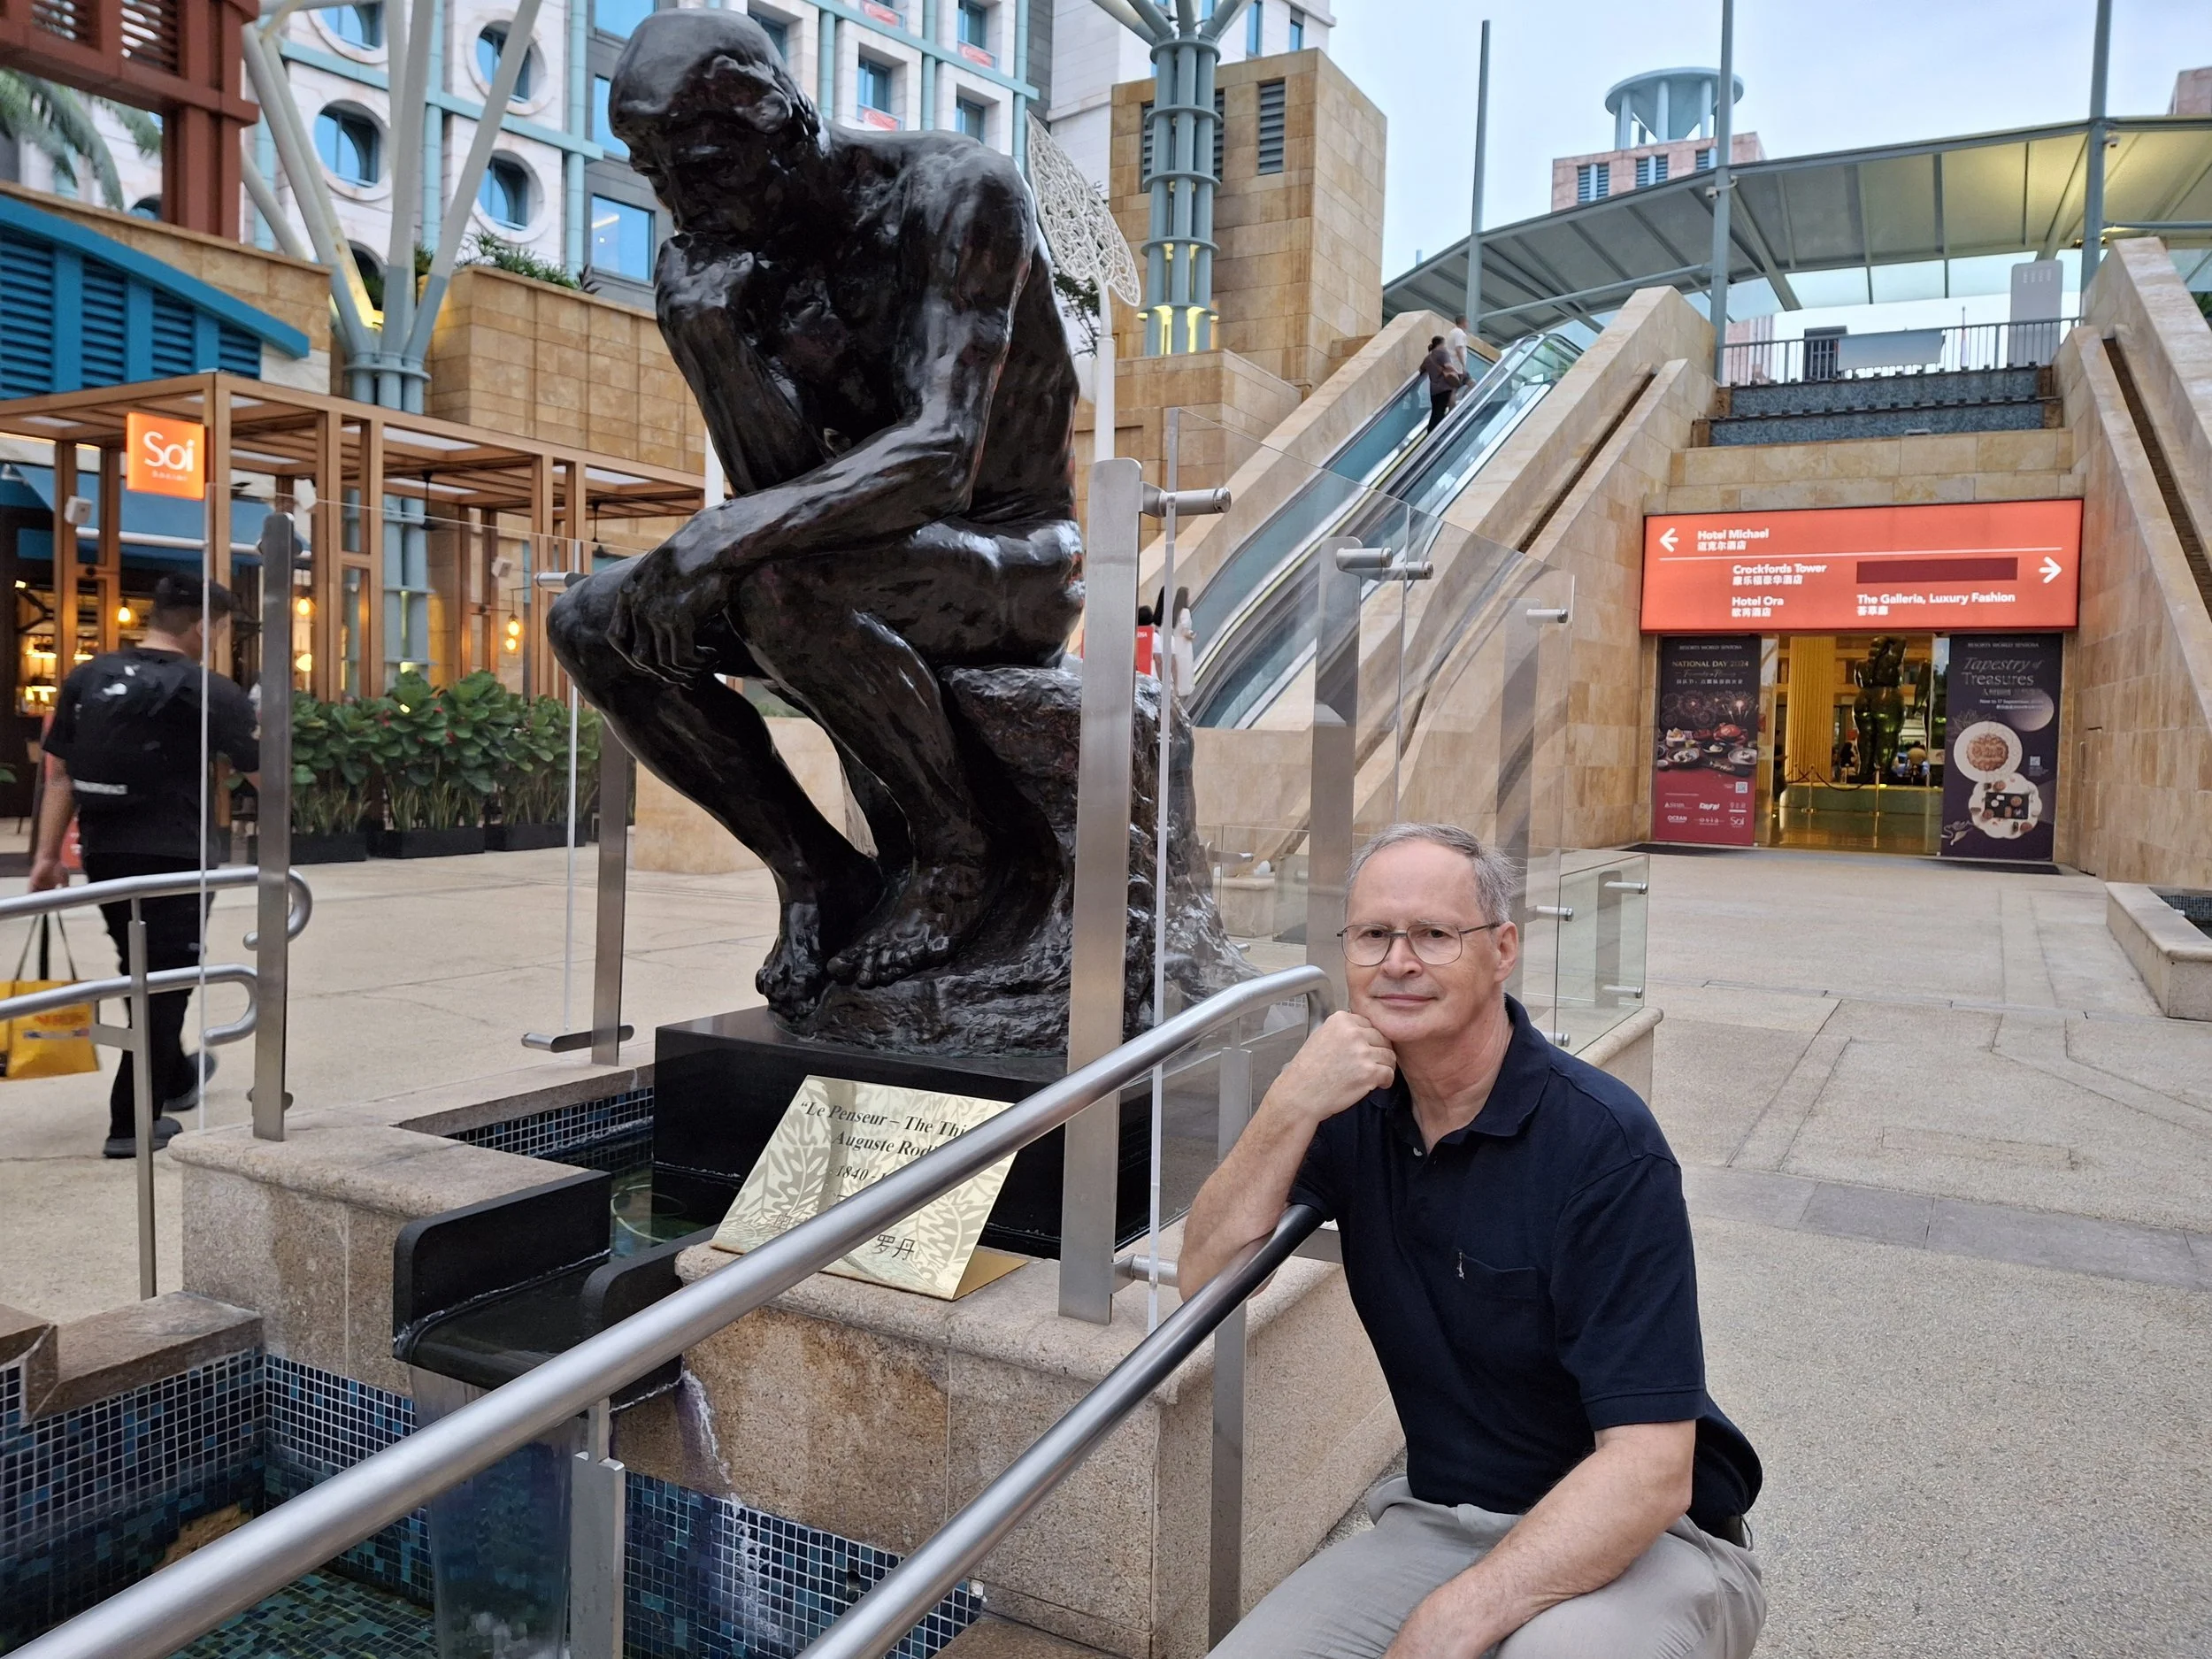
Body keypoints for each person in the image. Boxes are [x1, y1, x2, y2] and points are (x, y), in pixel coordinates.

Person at [549, 10, 1084, 1018]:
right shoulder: (720, 264)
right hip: (857, 559)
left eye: (700, 166)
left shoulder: (955, 193)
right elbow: (776, 484)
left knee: (776, 582)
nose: (676, 200)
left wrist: (717, 538)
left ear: (779, 125)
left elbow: (938, 455)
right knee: (589, 620)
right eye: (653, 172)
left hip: (1012, 549)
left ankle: (953, 850)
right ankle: (814, 874)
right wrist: (708, 337)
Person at [1185, 822, 1764, 1659]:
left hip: (1656, 1537)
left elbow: (1649, 1468)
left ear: (1502, 950)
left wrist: (1452, 1620)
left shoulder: (1604, 1144)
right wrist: (1288, 1103)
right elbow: (1202, 1281)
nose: (1398, 960)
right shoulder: (1352, 1109)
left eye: (1433, 934)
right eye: (1374, 934)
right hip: (1444, 1522)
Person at [30, 573, 260, 1159]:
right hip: (178, 856)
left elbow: (59, 774)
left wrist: (45, 857)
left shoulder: (88, 676)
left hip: (105, 852)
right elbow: (266, 775)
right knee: (164, 981)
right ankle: (130, 1122)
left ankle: (178, 1075)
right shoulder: (210, 689)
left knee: (142, 965)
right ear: (206, 625)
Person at [1419, 335, 1463, 434]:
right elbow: (1448, 366)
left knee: (1435, 412)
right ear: (1441, 343)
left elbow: (1421, 369)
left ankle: (1431, 432)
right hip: (1444, 387)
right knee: (1441, 411)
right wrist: (1458, 372)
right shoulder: (1442, 353)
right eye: (1444, 344)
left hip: (1434, 391)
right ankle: (1439, 433)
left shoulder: (1428, 358)